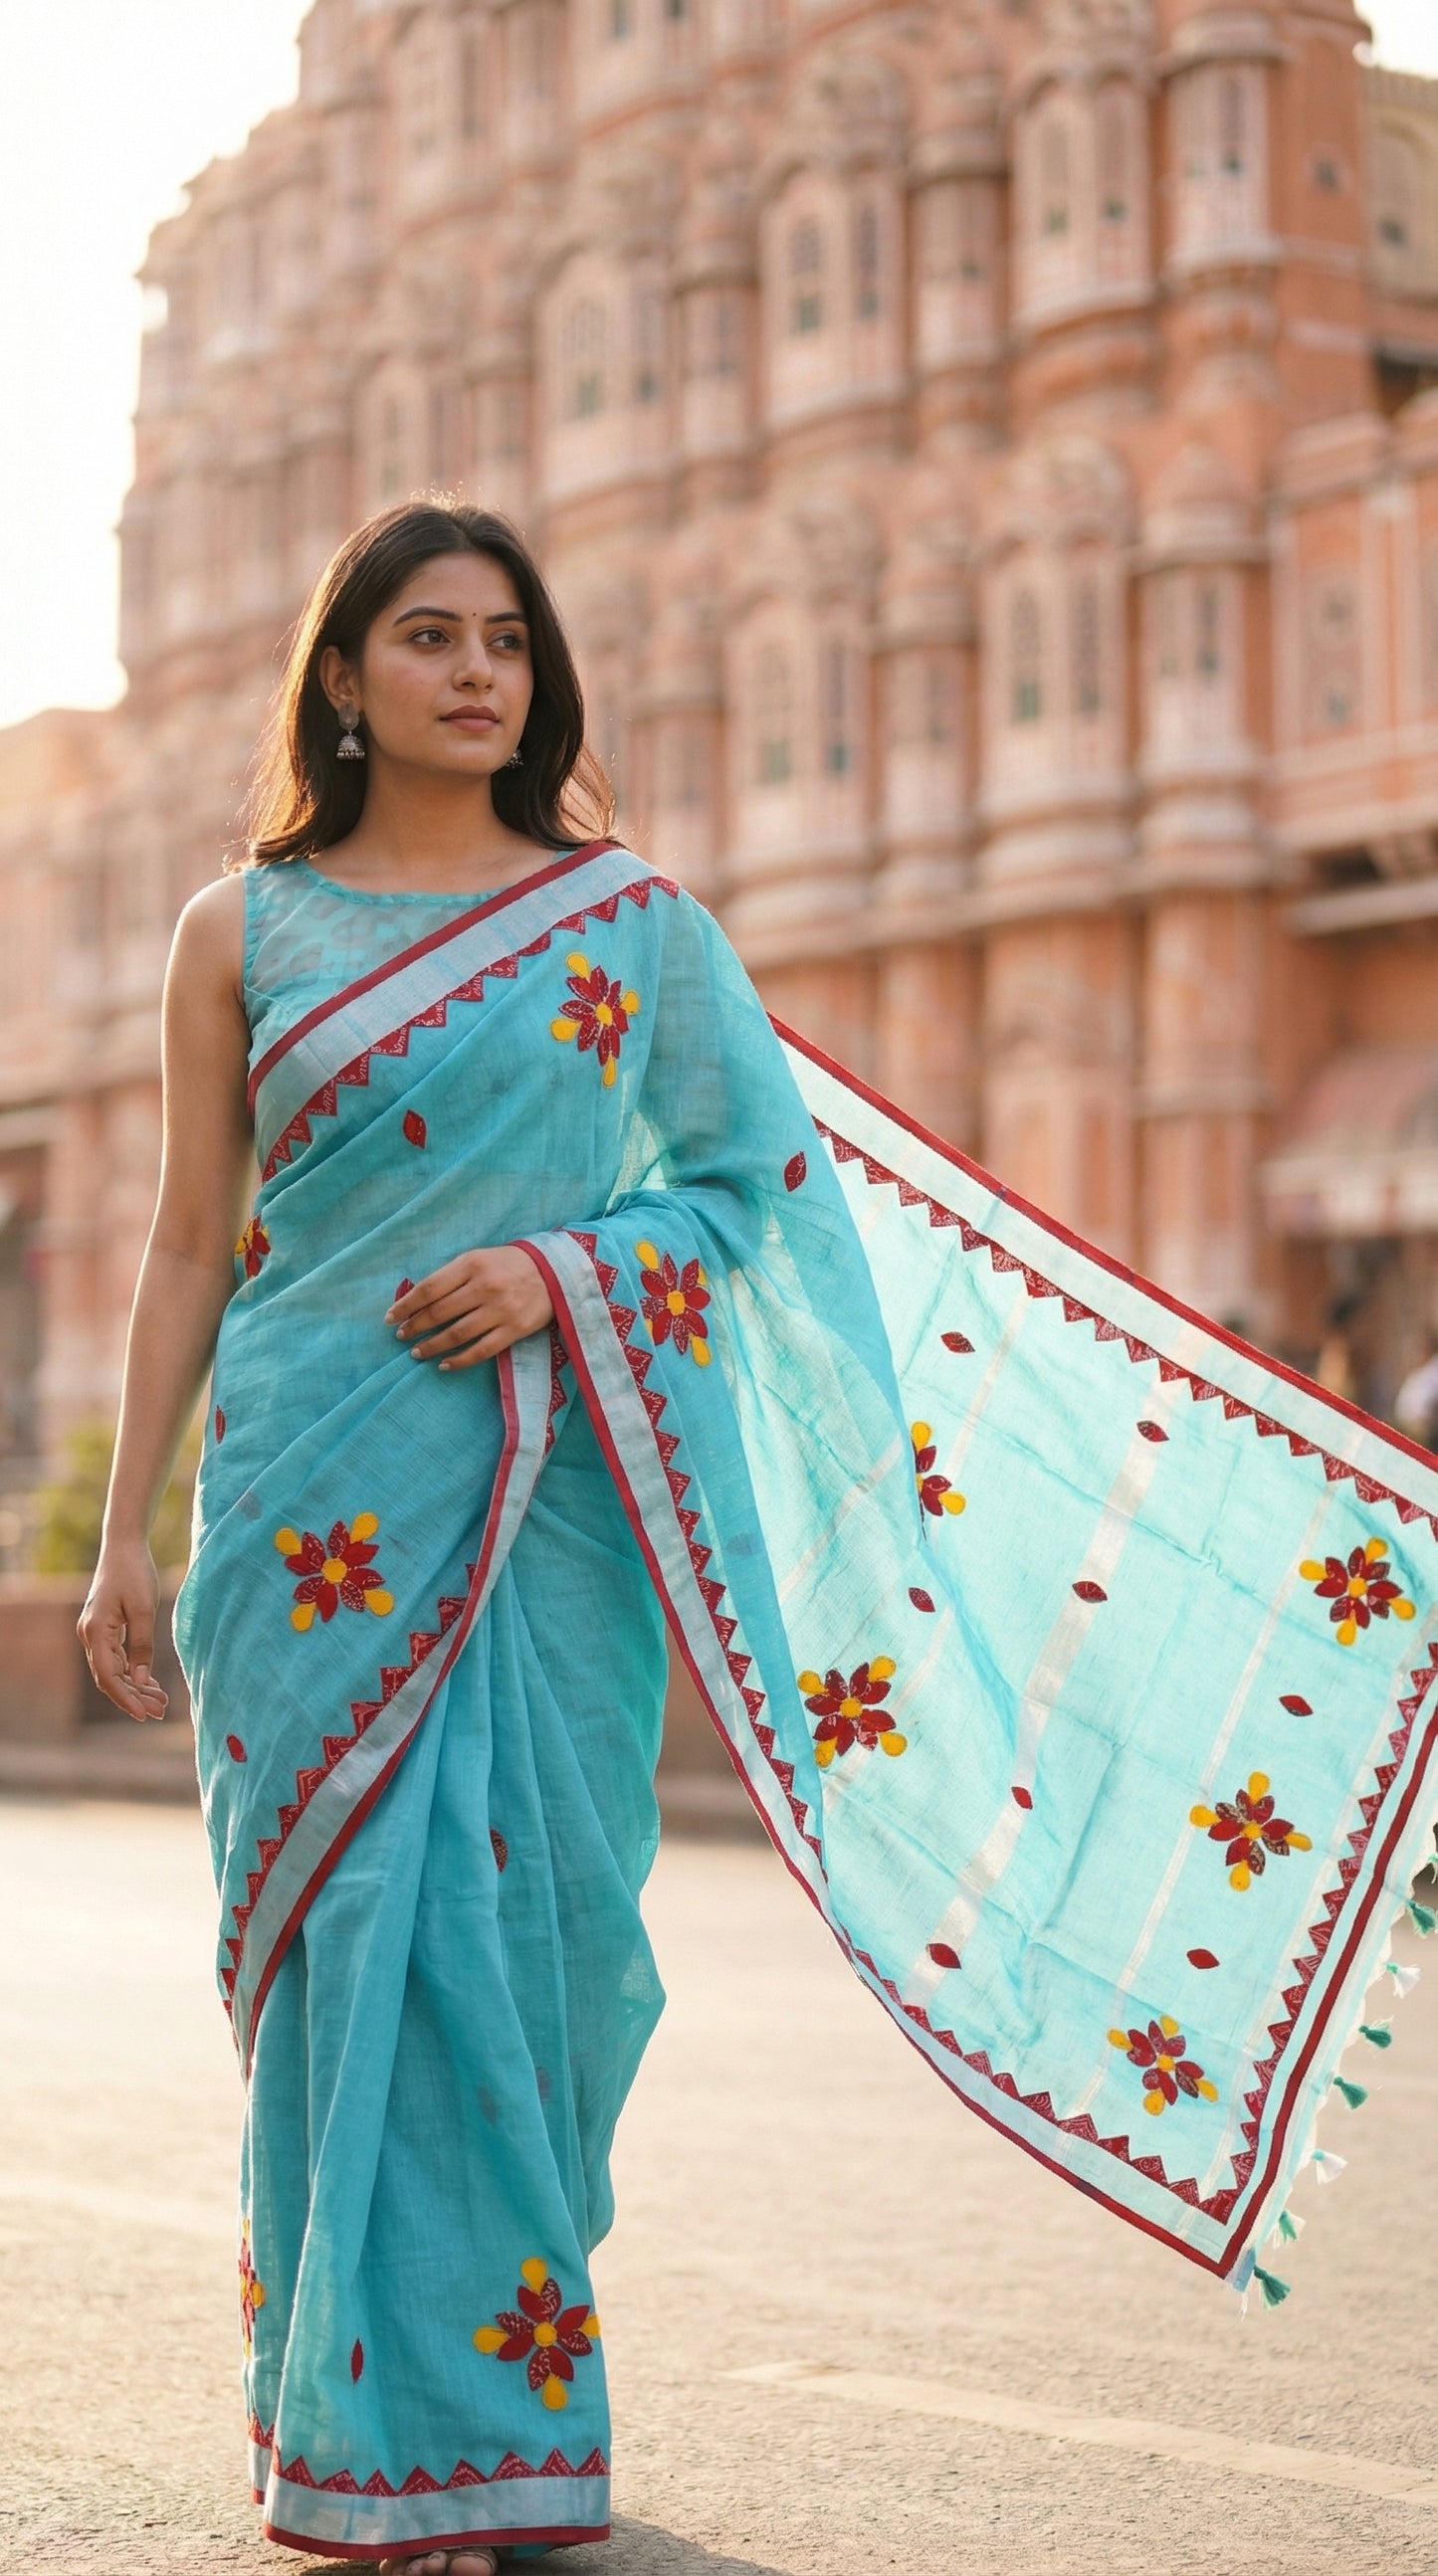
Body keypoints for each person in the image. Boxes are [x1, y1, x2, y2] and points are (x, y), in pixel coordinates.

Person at [81, 502, 1438, 2571]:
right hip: (302, 1511)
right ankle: (360, 2432)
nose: (474, 672)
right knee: (338, 1957)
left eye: (509, 641)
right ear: (338, 679)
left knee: (523, 1954)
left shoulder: (625, 927)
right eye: (425, 637)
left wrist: (562, 1270)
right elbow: (191, 1240)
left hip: (540, 1507)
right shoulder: (236, 928)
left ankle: (475, 2426)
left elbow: (747, 1194)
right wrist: (119, 1535)